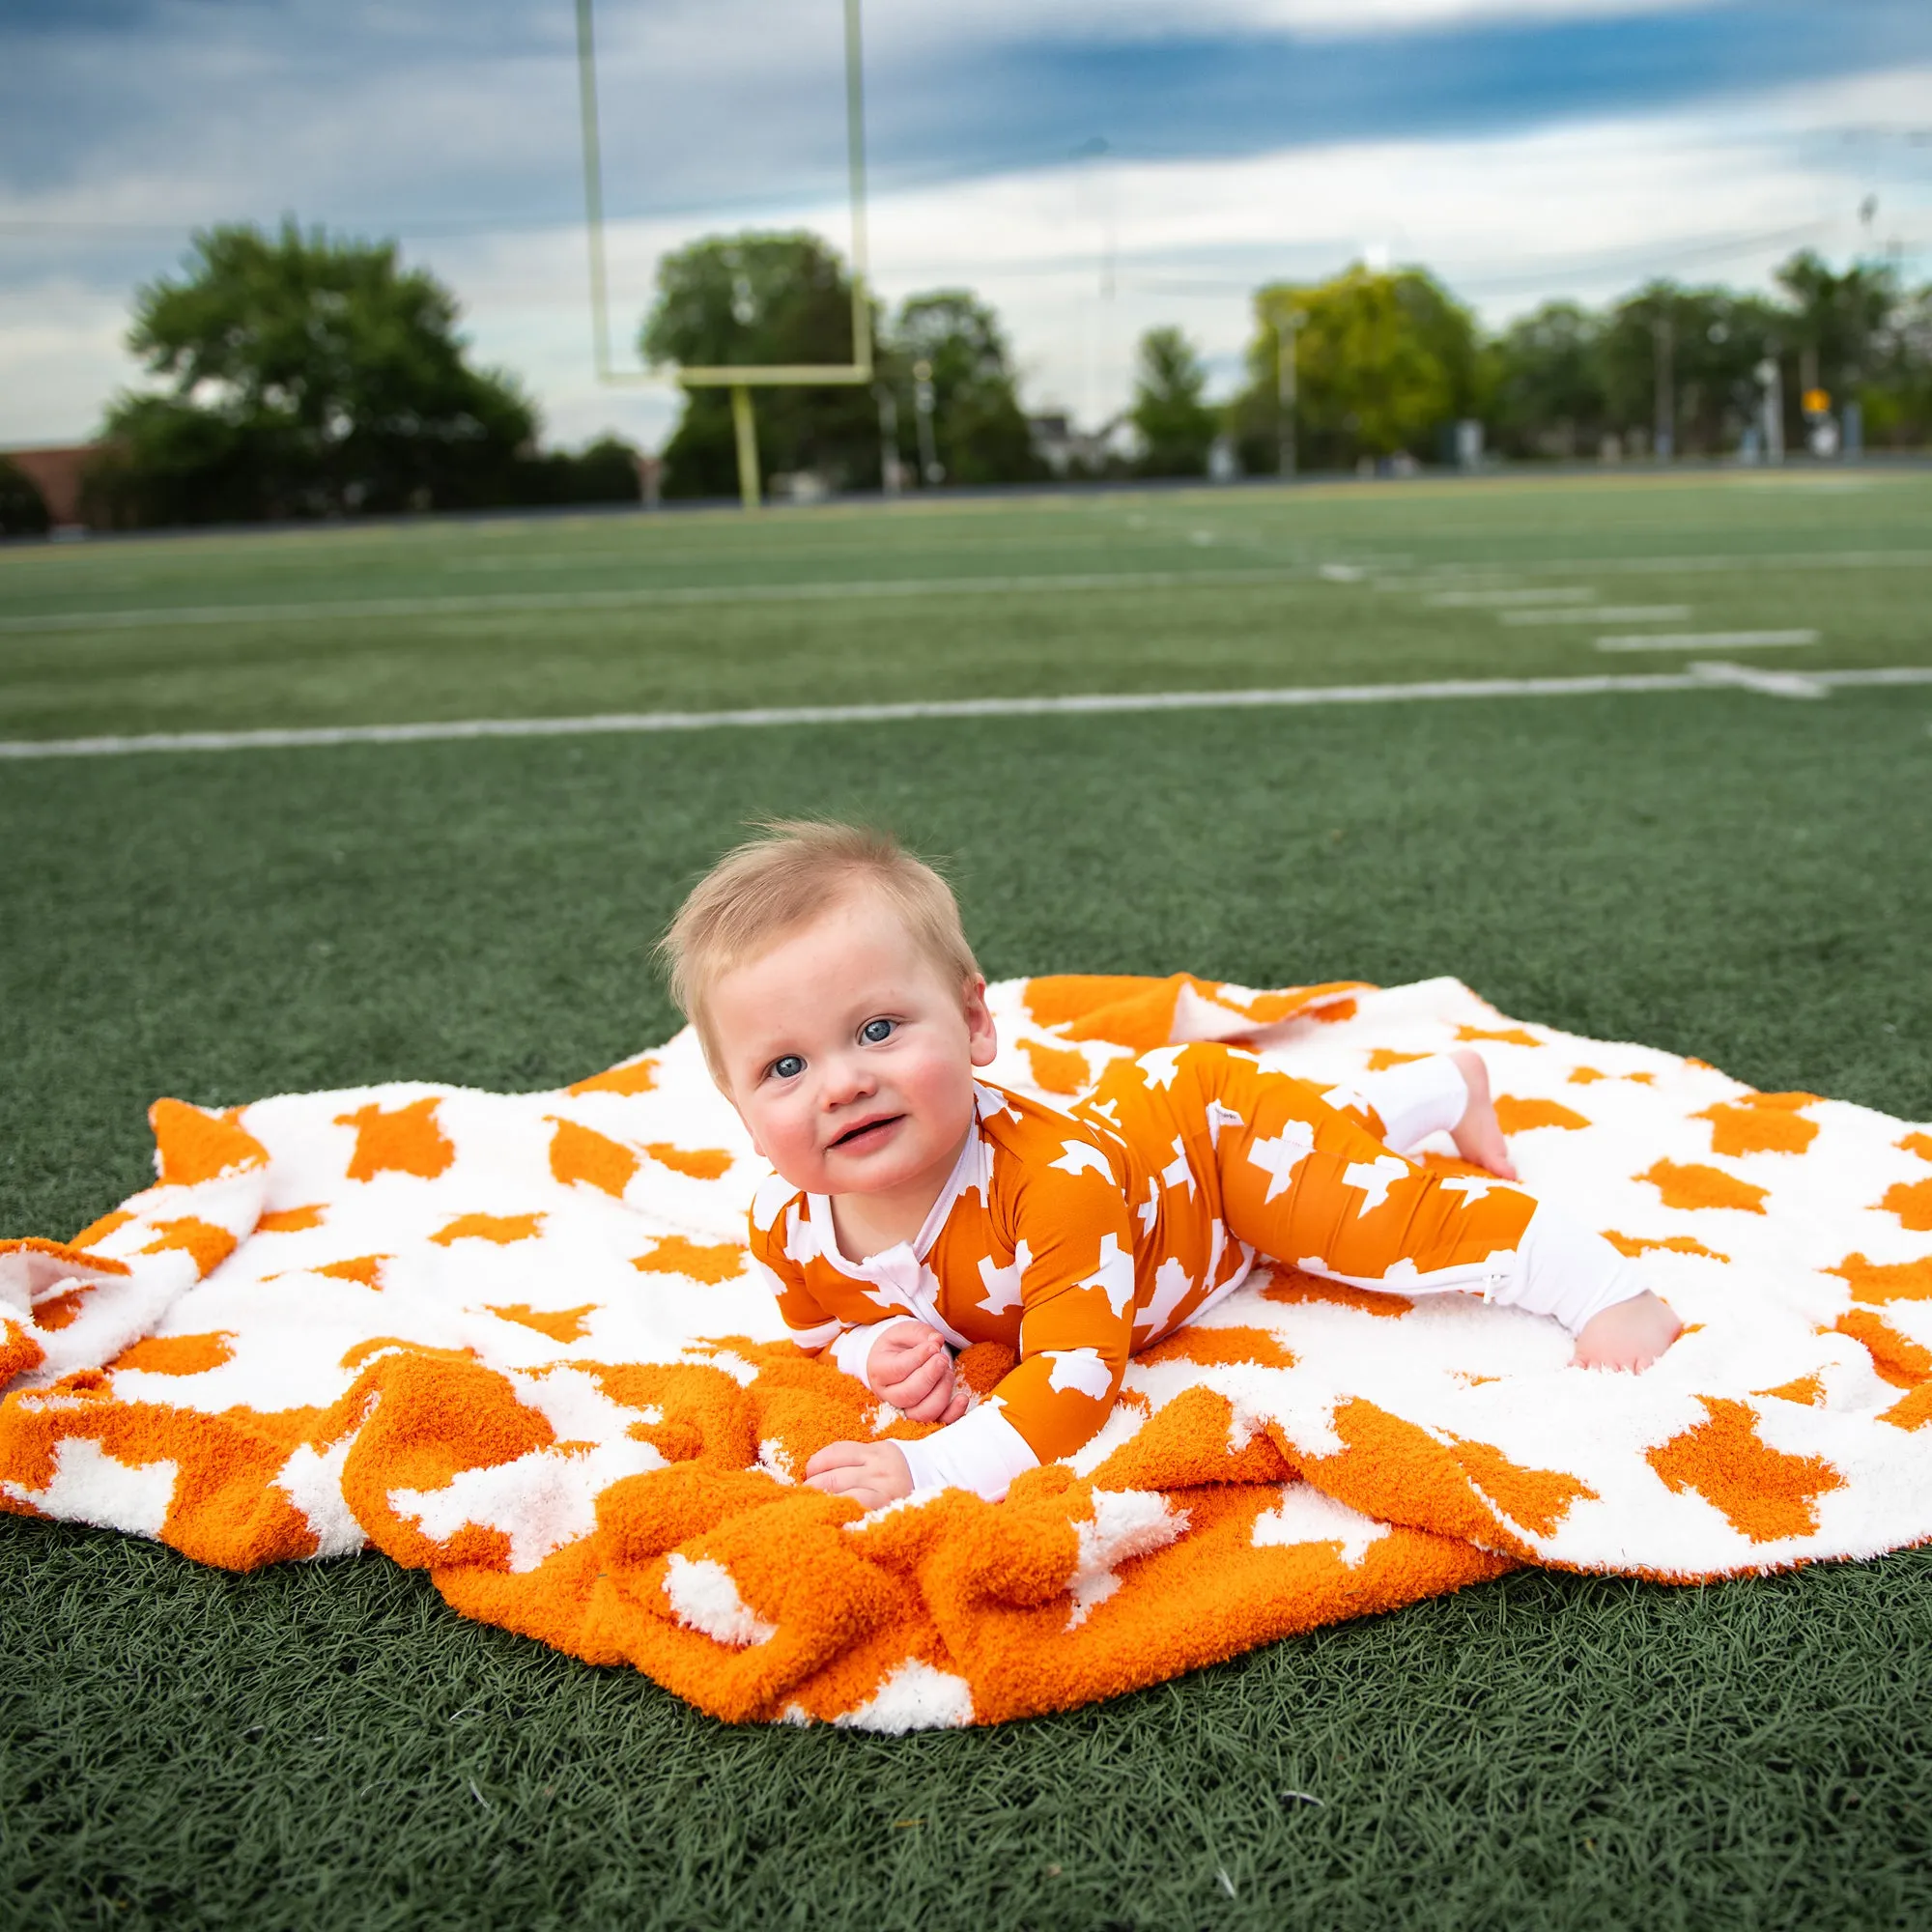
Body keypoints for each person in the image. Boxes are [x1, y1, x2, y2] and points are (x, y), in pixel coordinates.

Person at [658, 822, 1681, 1510]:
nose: (839, 1082)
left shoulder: (1048, 1185)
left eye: (878, 1027)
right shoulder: (785, 1223)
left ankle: (1600, 1282)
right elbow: (829, 1326)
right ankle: (1440, 1086)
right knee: (1324, 1132)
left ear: (975, 1022)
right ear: (741, 1109)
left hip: (1213, 1147)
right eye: (784, 1065)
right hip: (1157, 1155)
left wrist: (926, 1466)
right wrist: (877, 1353)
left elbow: (1072, 1381)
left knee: (1358, 1213)